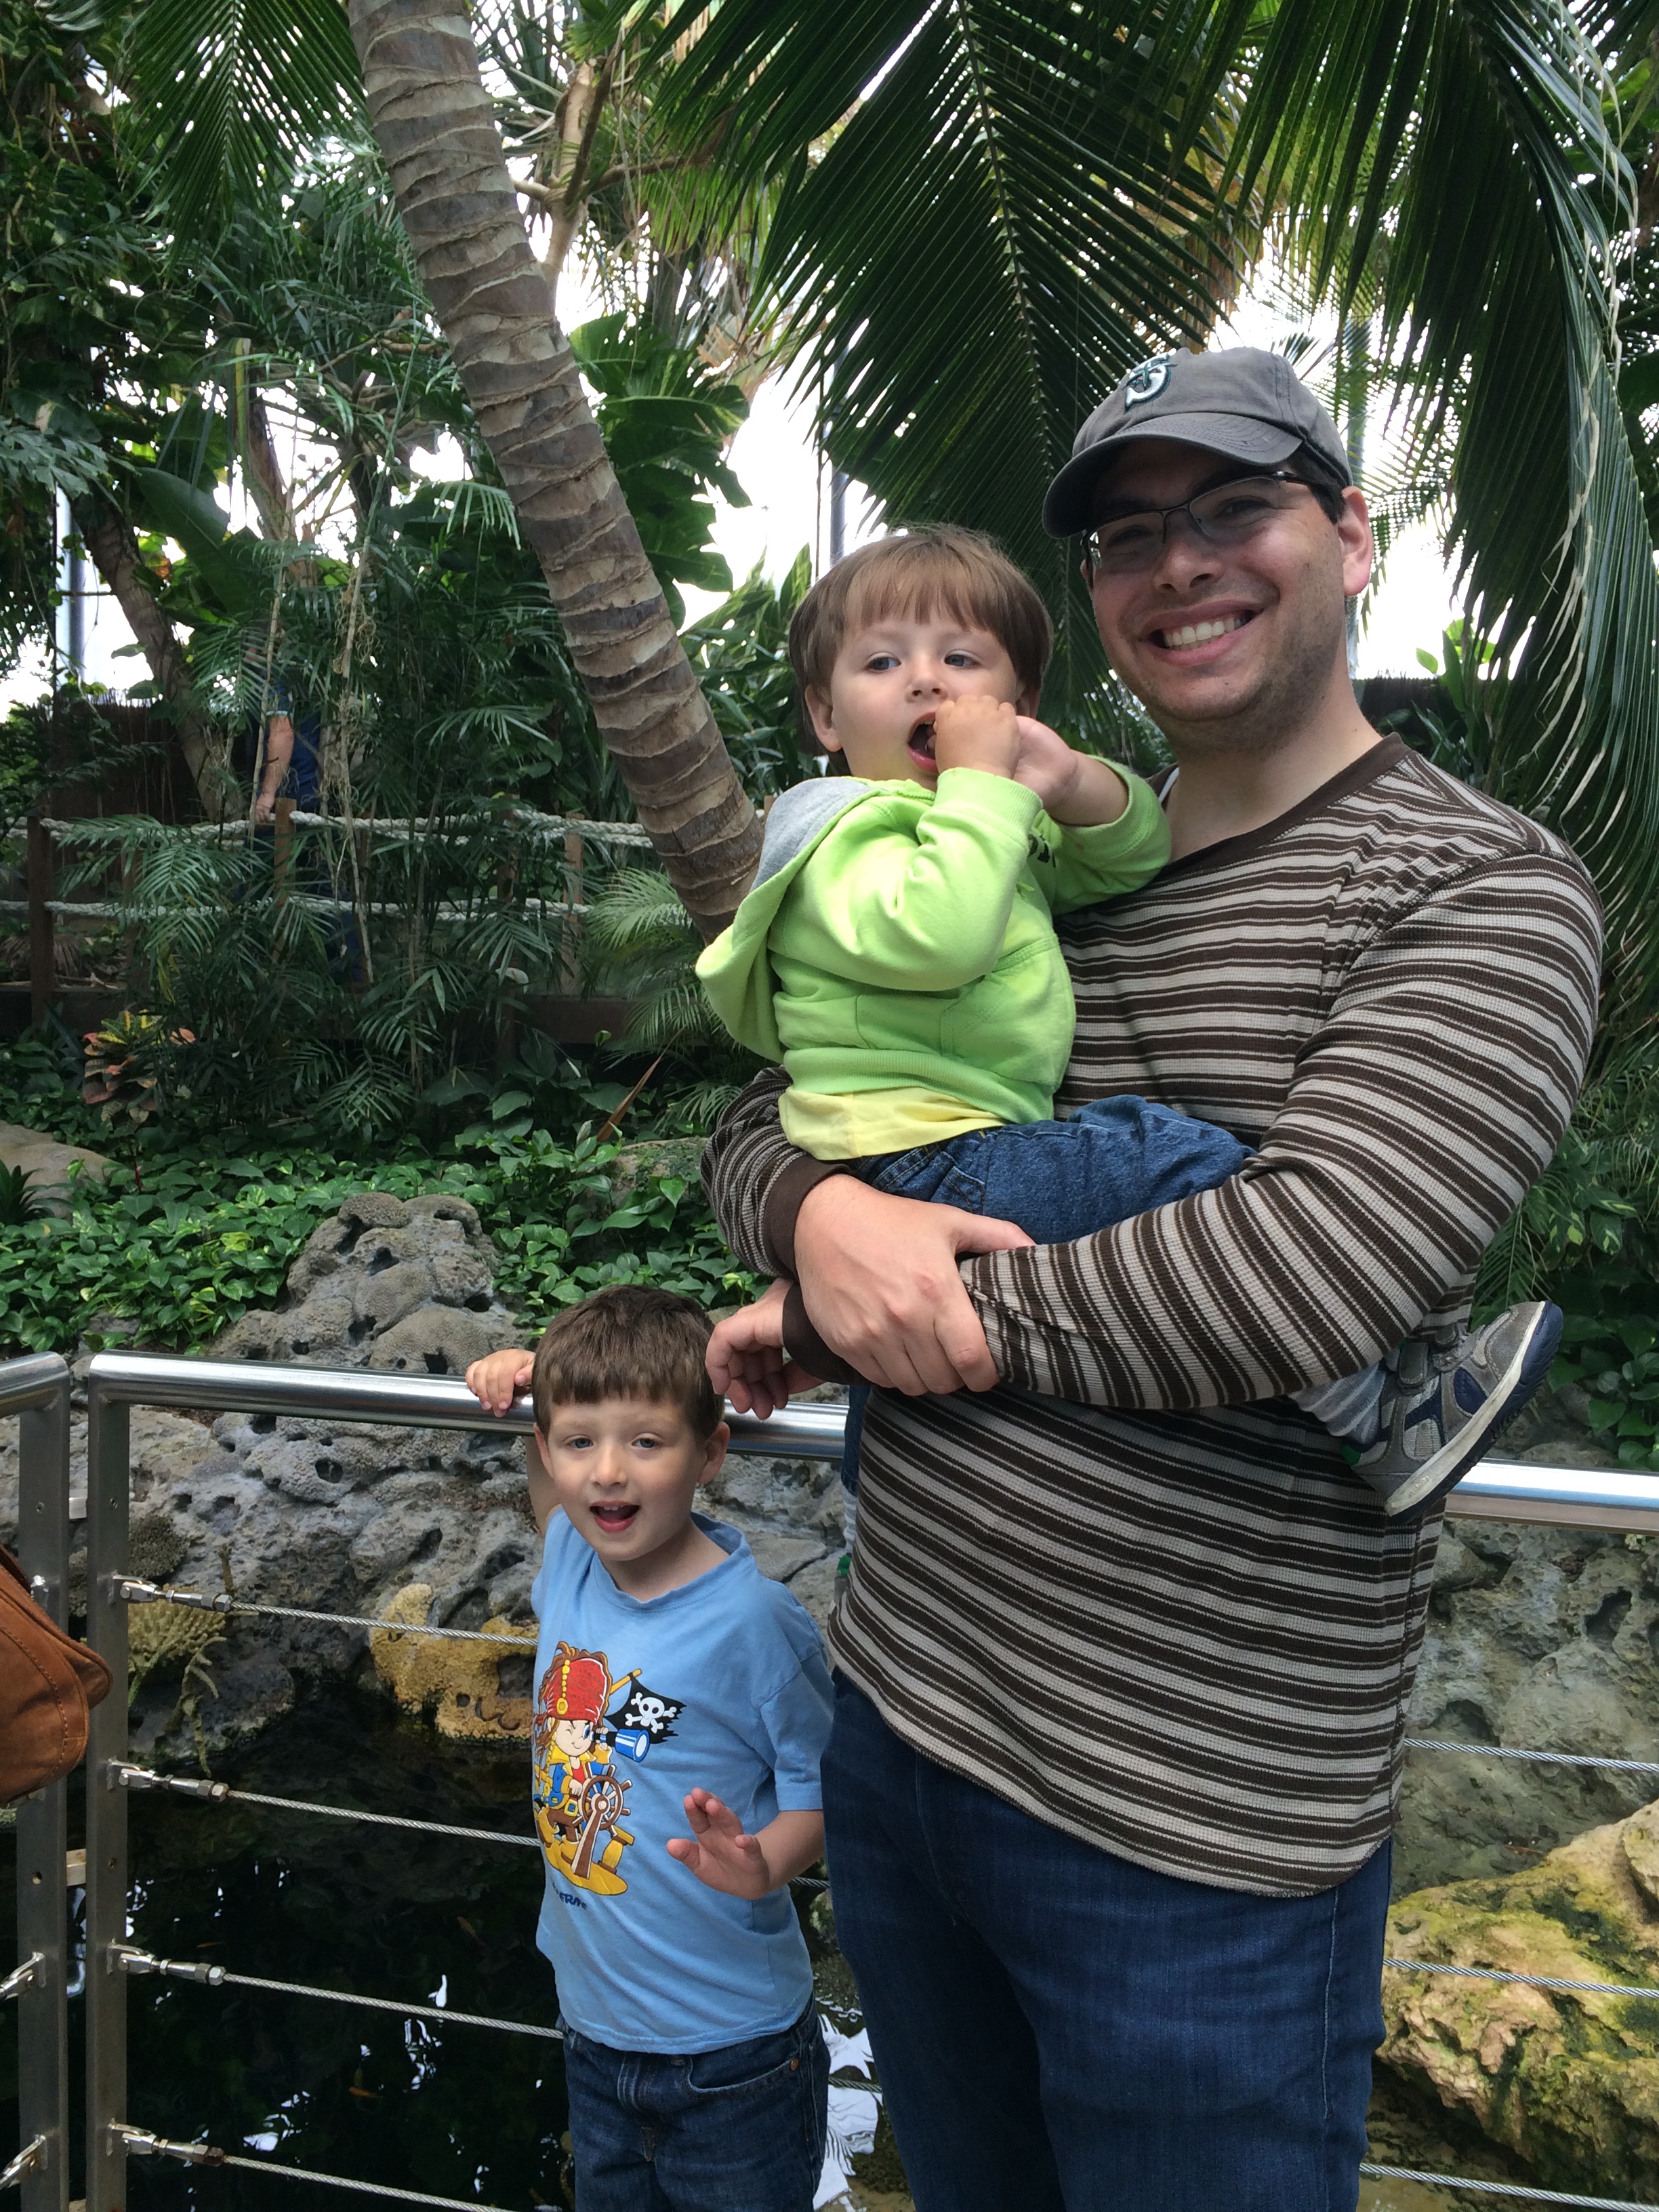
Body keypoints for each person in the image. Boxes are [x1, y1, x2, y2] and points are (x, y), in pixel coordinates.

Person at [698, 348, 1603, 2211]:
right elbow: (762, 1110)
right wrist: (820, 1225)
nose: (1179, 562)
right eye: (1129, 535)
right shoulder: (1025, 854)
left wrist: (869, 1305)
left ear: (1352, 534)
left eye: (1235, 509)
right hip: (906, 1732)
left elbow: (1298, 1283)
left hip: (1193, 1830)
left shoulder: (1473, 889)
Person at [694, 525, 1560, 1540]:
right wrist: (826, 1232)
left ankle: (1367, 1411)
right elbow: (911, 967)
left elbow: (1130, 856)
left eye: (961, 659)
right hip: (927, 1160)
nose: (926, 682)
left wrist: (1066, 785)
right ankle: (1374, 1413)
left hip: (1215, 1629)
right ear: (824, 714)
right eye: (883, 663)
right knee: (1167, 1156)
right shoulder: (847, 836)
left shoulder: (1481, 888)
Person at [464, 1286, 833, 2212]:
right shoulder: (571, 1563)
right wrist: (526, 1376)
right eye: (579, 1442)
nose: (608, 1474)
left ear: (709, 1452)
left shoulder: (755, 1624)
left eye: (646, 1442)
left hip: (734, 2052)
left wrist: (764, 1864)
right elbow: (550, 1487)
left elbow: (825, 1788)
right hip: (595, 2031)